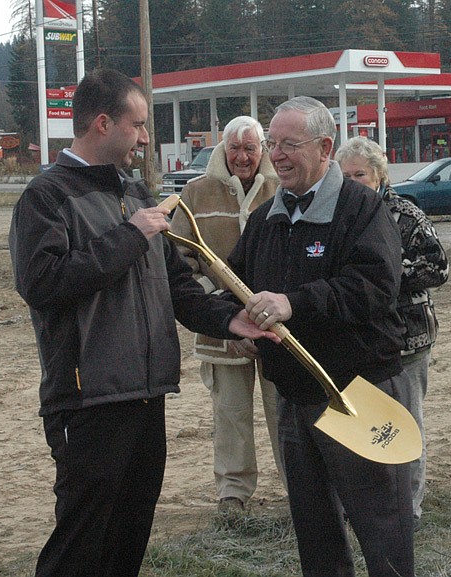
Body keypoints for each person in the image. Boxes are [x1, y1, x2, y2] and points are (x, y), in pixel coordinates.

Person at [8, 69, 278, 577]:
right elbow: (42, 285)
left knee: (128, 540)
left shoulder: (136, 193)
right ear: (103, 123)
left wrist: (231, 318)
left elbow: (175, 286)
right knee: (81, 544)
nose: (146, 138)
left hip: (146, 394)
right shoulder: (45, 198)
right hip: (87, 401)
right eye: (138, 125)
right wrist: (130, 235)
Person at [227, 96, 415, 577]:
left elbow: (374, 286)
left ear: (326, 146)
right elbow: (236, 280)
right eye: (273, 144)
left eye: (290, 144)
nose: (278, 155)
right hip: (294, 398)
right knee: (315, 531)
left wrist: (295, 303)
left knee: (381, 527)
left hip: (359, 392)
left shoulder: (363, 208)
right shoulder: (268, 216)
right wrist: (239, 326)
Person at [171, 116, 286, 512]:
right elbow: (179, 262)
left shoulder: (282, 189)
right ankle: (232, 493)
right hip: (220, 328)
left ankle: (300, 487)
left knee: (285, 412)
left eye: (251, 148)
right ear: (223, 149)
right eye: (234, 148)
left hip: (278, 328)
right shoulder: (196, 193)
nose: (243, 157)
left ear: (263, 150)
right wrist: (215, 307)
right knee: (231, 415)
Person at [335, 136, 449, 527]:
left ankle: (409, 508)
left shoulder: (404, 214)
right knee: (365, 426)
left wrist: (386, 276)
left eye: (360, 174)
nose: (352, 181)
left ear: (380, 176)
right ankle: (362, 507)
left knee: (406, 424)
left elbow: (439, 267)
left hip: (408, 339)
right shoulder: (337, 214)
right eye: (345, 175)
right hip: (356, 340)